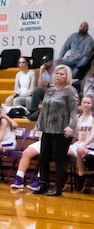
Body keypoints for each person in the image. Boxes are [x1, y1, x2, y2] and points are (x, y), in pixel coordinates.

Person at [34, 65, 79, 196]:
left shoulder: (70, 91)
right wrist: (38, 126)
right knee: (43, 158)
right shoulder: (50, 90)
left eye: (62, 74)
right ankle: (43, 185)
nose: (58, 76)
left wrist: (71, 126)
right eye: (57, 73)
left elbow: (74, 111)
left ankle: (58, 187)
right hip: (47, 129)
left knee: (60, 160)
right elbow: (43, 110)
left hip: (62, 131)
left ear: (67, 76)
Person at [71, 94, 93, 191]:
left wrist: (84, 145)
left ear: (92, 104)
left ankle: (81, 177)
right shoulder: (78, 117)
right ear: (81, 103)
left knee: (80, 150)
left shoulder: (92, 118)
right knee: (61, 151)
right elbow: (75, 135)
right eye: (84, 102)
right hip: (79, 144)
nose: (86, 104)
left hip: (90, 146)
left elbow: (93, 135)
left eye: (88, 103)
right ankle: (61, 179)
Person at [28, 56, 55, 121]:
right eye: (44, 62)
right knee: (36, 91)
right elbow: (40, 86)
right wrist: (40, 71)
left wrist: (47, 85)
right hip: (47, 93)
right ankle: (33, 111)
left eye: (47, 62)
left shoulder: (56, 72)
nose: (45, 64)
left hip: (55, 93)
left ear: (51, 62)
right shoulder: (44, 74)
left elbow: (56, 86)